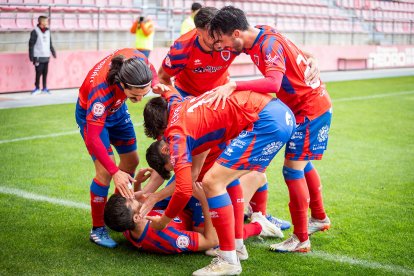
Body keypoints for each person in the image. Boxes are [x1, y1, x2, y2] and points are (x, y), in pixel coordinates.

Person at [208, 6, 333, 253]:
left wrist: (235, 86)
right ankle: (319, 217)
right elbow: (296, 51)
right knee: (303, 163)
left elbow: (274, 83)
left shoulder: (267, 44)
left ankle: (300, 239)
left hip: (309, 108)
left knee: (292, 169)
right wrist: (311, 56)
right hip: (306, 106)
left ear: (236, 32)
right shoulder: (265, 31)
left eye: (224, 42)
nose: (225, 48)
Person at [158, 6, 292, 230]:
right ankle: (178, 204)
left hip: (222, 104)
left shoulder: (231, 39)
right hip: (192, 107)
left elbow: (273, 42)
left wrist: (308, 57)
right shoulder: (182, 47)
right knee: (188, 161)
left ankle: (258, 215)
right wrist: (183, 105)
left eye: (219, 37)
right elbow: (162, 79)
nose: (218, 44)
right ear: (198, 31)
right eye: (211, 38)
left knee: (241, 163)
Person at [143, 88, 294, 275]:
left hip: (266, 119)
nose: (165, 142)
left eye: (161, 138)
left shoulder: (176, 134)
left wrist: (163, 221)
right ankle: (237, 246)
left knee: (212, 182)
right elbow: (170, 92)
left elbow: (183, 189)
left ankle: (229, 259)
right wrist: (159, 86)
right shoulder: (177, 105)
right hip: (279, 112)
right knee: (222, 180)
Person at [75, 48, 169, 248]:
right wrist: (114, 171)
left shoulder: (139, 61)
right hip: (92, 117)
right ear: (121, 83)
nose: (138, 100)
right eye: (134, 96)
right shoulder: (100, 93)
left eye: (143, 94)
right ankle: (98, 229)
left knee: (132, 161)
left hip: (117, 110)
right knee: (104, 173)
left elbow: (152, 70)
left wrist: (155, 85)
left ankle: (121, 212)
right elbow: (93, 138)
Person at [104, 181, 279, 256]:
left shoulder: (129, 224)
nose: (133, 196)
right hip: (202, 219)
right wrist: (204, 200)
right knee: (256, 177)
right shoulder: (167, 238)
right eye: (131, 200)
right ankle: (259, 224)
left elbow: (137, 204)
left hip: (188, 207)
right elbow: (210, 240)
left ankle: (247, 212)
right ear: (136, 216)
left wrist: (138, 185)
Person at [29, 15, 56, 95]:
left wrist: (53, 52)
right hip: (38, 57)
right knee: (38, 73)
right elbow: (31, 45)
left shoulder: (48, 31)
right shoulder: (35, 31)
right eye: (45, 21)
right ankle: (37, 88)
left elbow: (49, 43)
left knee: (45, 73)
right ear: (41, 22)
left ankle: (44, 88)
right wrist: (31, 56)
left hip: (46, 56)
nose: (47, 22)